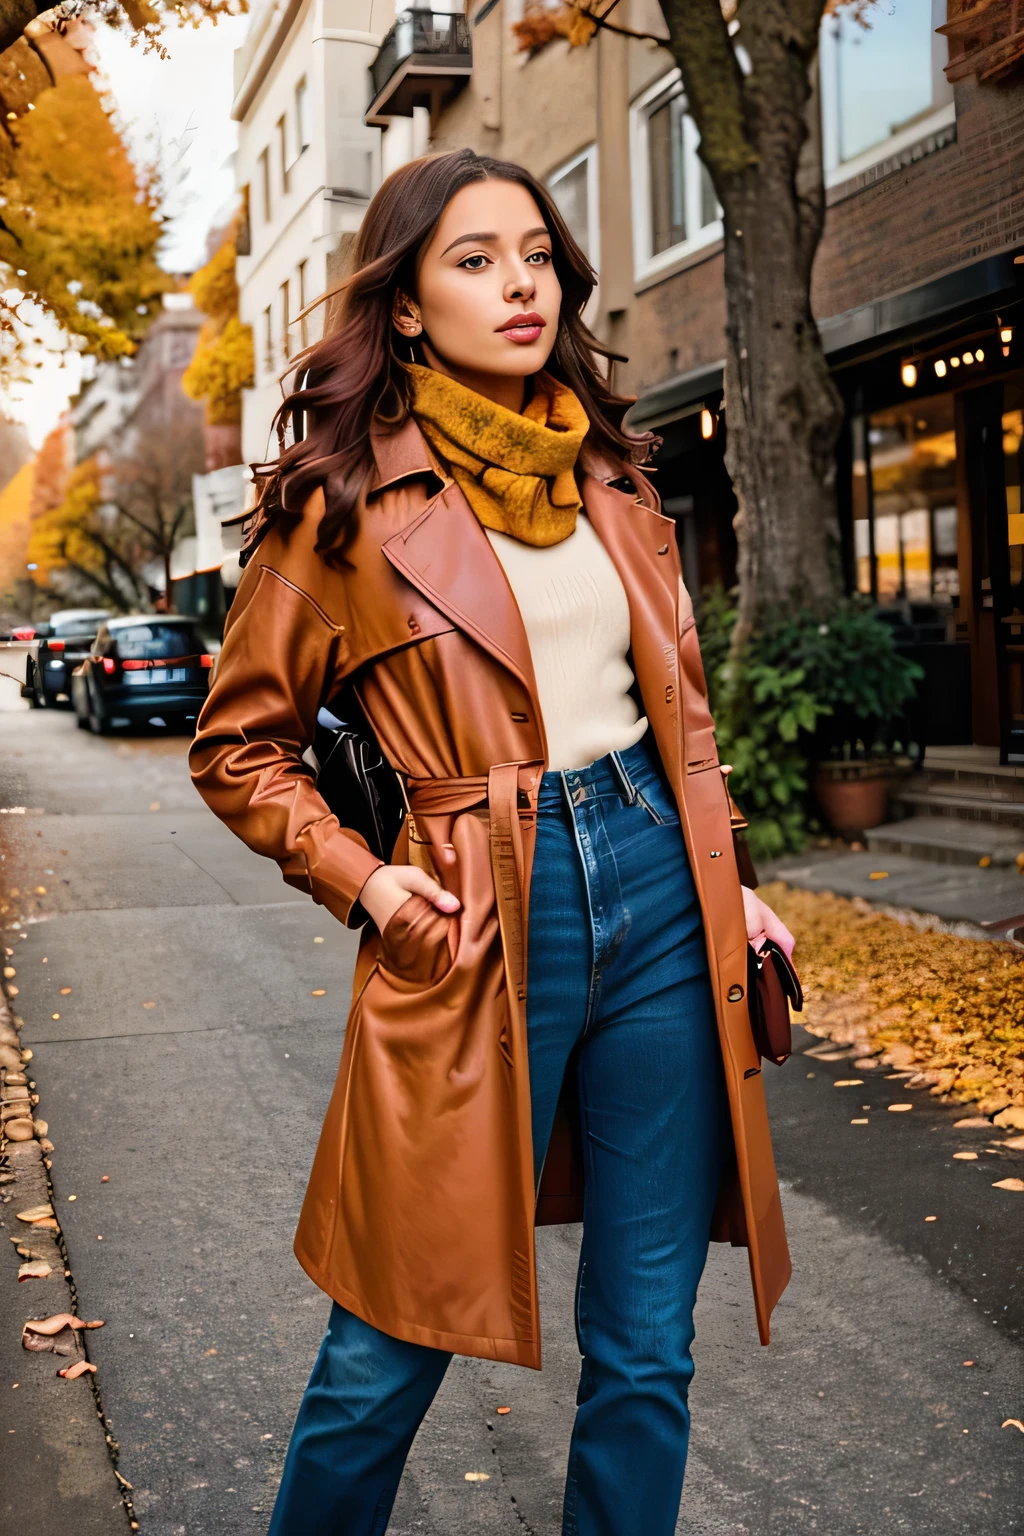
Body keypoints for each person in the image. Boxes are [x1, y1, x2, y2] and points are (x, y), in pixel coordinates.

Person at [190, 148, 795, 1536]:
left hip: (656, 885)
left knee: (648, 1347)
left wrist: (738, 895)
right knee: (385, 1350)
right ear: (404, 307)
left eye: (535, 253)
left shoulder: (618, 476)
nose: (519, 283)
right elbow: (237, 748)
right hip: (465, 915)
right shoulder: (341, 505)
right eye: (474, 259)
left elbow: (677, 725)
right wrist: (370, 878)